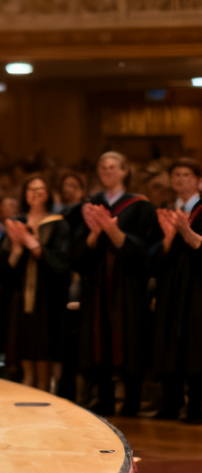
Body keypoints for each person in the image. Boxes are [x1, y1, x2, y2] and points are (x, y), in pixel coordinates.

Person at [72, 151, 160, 416]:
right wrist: (94, 234)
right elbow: (77, 256)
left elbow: (147, 253)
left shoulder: (142, 207)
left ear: (124, 171)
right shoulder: (89, 206)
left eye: (113, 167)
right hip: (96, 286)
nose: (107, 171)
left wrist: (114, 233)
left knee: (130, 339)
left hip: (128, 287)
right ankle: (103, 400)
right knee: (98, 338)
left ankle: (131, 401)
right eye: (103, 167)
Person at [0, 175, 72, 392]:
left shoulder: (58, 223)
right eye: (30, 189)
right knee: (24, 336)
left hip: (48, 294)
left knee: (45, 338)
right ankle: (27, 380)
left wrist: (34, 246)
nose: (35, 193)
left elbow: (62, 263)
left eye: (40, 189)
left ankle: (46, 384)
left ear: (48, 194)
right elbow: (2, 268)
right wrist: (18, 250)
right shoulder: (17, 223)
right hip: (21, 293)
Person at [152, 158, 202, 422]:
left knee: (196, 346)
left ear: (197, 180)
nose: (180, 179)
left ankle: (196, 407)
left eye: (186, 174)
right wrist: (170, 238)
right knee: (169, 342)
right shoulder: (166, 210)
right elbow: (154, 260)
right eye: (176, 175)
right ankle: (170, 404)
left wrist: (187, 232)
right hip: (171, 288)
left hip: (197, 289)